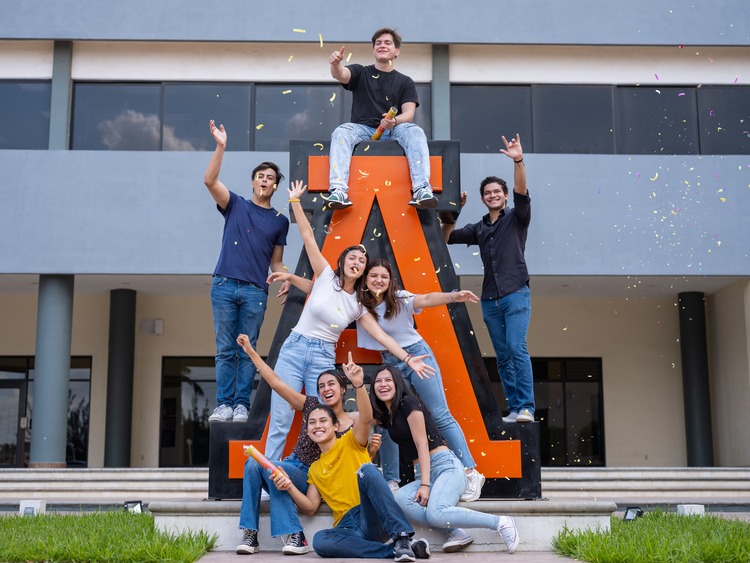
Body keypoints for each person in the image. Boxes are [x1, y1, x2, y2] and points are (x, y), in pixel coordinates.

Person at [263, 181, 436, 461]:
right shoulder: (325, 278)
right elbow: (309, 238)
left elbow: (383, 337)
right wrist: (295, 201)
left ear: (364, 271)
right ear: (343, 261)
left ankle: (316, 480)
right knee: (281, 419)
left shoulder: (358, 305)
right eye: (352, 256)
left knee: (321, 422)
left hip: (322, 357)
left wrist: (408, 358)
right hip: (294, 349)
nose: (356, 261)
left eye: (361, 260)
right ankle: (269, 478)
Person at [270, 353, 430, 561]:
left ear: (335, 425)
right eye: (312, 423)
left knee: (367, 470)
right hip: (346, 526)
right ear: (307, 431)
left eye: (322, 421)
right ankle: (395, 551)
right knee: (320, 540)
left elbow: (364, 417)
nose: (317, 426)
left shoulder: (351, 441)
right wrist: (289, 486)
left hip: (369, 516)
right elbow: (309, 508)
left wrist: (359, 384)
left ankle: (401, 536)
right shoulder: (315, 468)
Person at [356, 258, 487, 502]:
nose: (379, 280)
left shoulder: (400, 298)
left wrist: (453, 296)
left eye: (384, 276)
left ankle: (470, 472)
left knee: (439, 413)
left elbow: (425, 299)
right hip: (392, 360)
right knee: (387, 418)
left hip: (416, 353)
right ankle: (392, 480)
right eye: (374, 275)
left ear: (390, 280)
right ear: (365, 279)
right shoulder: (361, 306)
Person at [370, 365, 520, 554]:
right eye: (378, 381)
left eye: (388, 380)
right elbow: (358, 417)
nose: (383, 384)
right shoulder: (387, 415)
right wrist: (356, 387)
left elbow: (422, 444)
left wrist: (424, 485)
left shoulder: (409, 403)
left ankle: (500, 522)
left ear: (397, 383)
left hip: (445, 467)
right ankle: (456, 532)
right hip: (425, 472)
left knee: (436, 512)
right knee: (399, 499)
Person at [234, 334, 357, 556]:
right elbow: (277, 383)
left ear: (342, 389)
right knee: (253, 464)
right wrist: (252, 353)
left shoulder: (350, 424)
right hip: (292, 463)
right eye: (321, 386)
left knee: (274, 469)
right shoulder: (311, 405)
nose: (325, 389)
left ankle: (295, 535)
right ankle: (250, 533)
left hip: (313, 477)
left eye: (331, 384)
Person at [442, 134, 534, 423]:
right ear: (482, 199)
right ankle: (515, 408)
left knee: (517, 348)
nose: (493, 195)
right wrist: (454, 211)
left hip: (516, 291)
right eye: (488, 193)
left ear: (505, 196)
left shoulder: (516, 217)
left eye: (497, 192)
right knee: (503, 356)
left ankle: (527, 407)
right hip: (490, 298)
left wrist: (518, 160)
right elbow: (446, 237)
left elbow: (522, 190)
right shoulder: (479, 227)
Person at [203, 120, 291, 423]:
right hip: (225, 284)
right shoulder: (236, 205)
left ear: (275, 186)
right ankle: (223, 404)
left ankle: (241, 404)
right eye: (260, 177)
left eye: (270, 178)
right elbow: (210, 181)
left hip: (255, 290)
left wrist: (286, 277)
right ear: (253, 182)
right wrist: (221, 146)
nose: (265, 181)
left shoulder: (280, 221)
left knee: (247, 349)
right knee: (225, 348)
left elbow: (275, 262)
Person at [325, 27, 437, 210]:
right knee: (341, 131)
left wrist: (394, 121)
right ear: (373, 49)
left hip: (394, 130)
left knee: (415, 131)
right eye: (378, 43)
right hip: (361, 129)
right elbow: (341, 75)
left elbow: (408, 114)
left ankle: (422, 189)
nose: (382, 45)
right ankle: (338, 191)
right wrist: (336, 63)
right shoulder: (361, 72)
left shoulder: (405, 81)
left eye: (387, 43)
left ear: (396, 51)